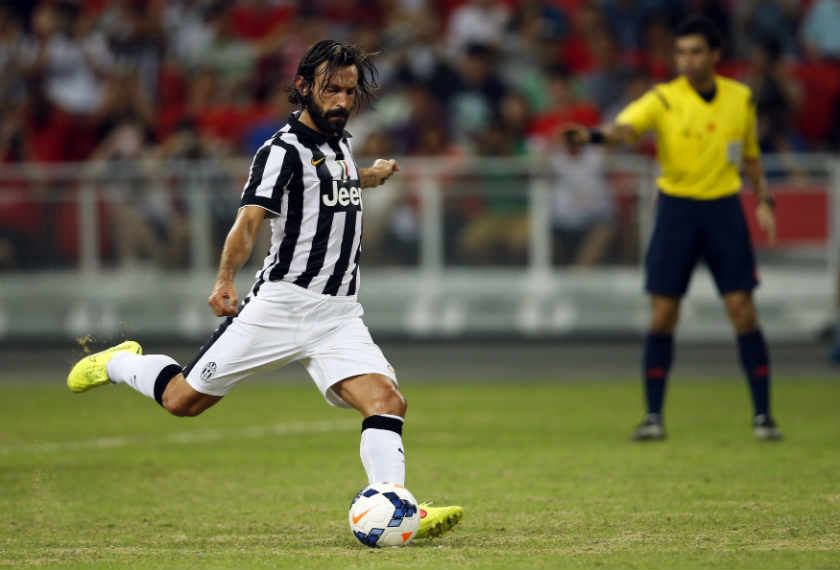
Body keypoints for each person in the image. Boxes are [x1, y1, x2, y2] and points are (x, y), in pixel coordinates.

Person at [66, 40, 463, 541]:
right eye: (330, 90)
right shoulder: (279, 151)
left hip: (338, 314)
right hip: (280, 305)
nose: (342, 100)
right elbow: (250, 220)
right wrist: (224, 279)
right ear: (302, 88)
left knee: (387, 401)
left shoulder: (339, 144)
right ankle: (122, 362)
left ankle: (397, 506)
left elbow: (329, 185)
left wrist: (369, 177)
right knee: (183, 401)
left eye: (349, 91)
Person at [564, 16, 783, 441]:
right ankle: (653, 417)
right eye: (681, 52)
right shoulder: (663, 99)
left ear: (715, 55)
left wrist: (764, 199)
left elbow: (750, 156)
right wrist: (592, 137)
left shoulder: (741, 99)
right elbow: (625, 129)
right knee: (664, 314)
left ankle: (763, 416)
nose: (687, 60)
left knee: (742, 310)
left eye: (696, 51)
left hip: (724, 210)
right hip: (677, 211)